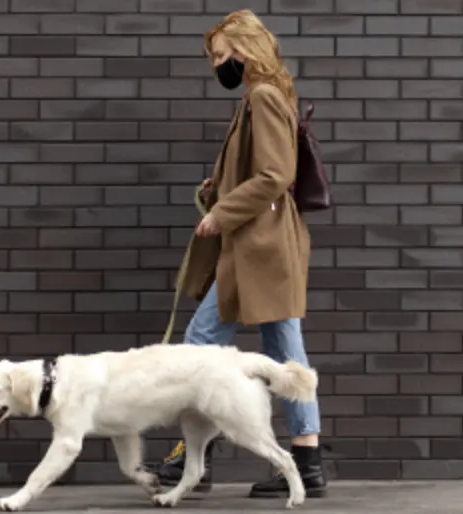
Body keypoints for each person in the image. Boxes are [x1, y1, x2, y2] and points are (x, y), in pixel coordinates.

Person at [148, 9, 327, 499]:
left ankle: (194, 462)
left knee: (202, 340)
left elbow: (274, 175)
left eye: (222, 56)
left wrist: (222, 213)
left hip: (260, 246)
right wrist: (219, 187)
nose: (217, 65)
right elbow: (261, 171)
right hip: (264, 245)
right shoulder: (263, 96)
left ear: (245, 52)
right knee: (285, 350)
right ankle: (307, 462)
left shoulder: (265, 97)